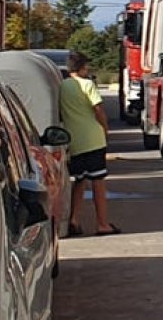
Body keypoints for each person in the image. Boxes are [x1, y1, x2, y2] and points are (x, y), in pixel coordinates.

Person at [59, 52, 120, 236]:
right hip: (93, 138)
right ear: (83, 67)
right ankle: (102, 224)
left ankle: (74, 220)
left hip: (74, 140)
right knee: (98, 183)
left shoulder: (61, 86)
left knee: (79, 181)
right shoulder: (87, 85)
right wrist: (106, 129)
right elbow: (98, 109)